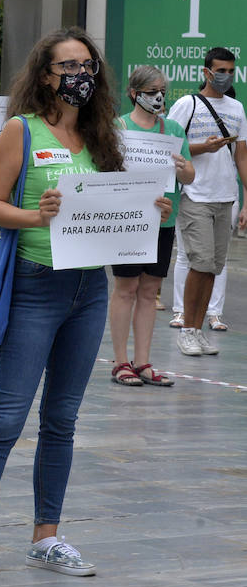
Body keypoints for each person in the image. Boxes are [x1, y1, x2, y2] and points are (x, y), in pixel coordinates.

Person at [0, 28, 171, 586]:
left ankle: (47, 537)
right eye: (68, 66)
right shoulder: (21, 130)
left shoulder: (104, 136)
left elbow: (115, 208)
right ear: (44, 75)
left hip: (88, 293)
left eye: (88, 65)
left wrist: (145, 209)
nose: (79, 75)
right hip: (35, 288)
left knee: (61, 420)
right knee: (5, 419)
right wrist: (38, 215)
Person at [109, 66, 194, 386]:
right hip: (128, 221)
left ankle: (143, 361)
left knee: (148, 291)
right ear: (134, 94)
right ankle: (120, 362)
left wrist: (184, 169)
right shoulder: (119, 128)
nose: (158, 96)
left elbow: (189, 177)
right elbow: (107, 172)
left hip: (163, 219)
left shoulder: (172, 129)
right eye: (150, 91)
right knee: (126, 288)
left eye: (162, 90)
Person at [166, 47, 247, 357]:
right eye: (220, 71)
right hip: (195, 195)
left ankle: (198, 330)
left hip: (226, 196)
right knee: (198, 264)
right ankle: (187, 328)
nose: (225, 76)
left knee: (213, 267)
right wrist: (203, 147)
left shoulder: (237, 108)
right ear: (206, 72)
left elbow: (242, 155)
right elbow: (172, 147)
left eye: (230, 71)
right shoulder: (188, 104)